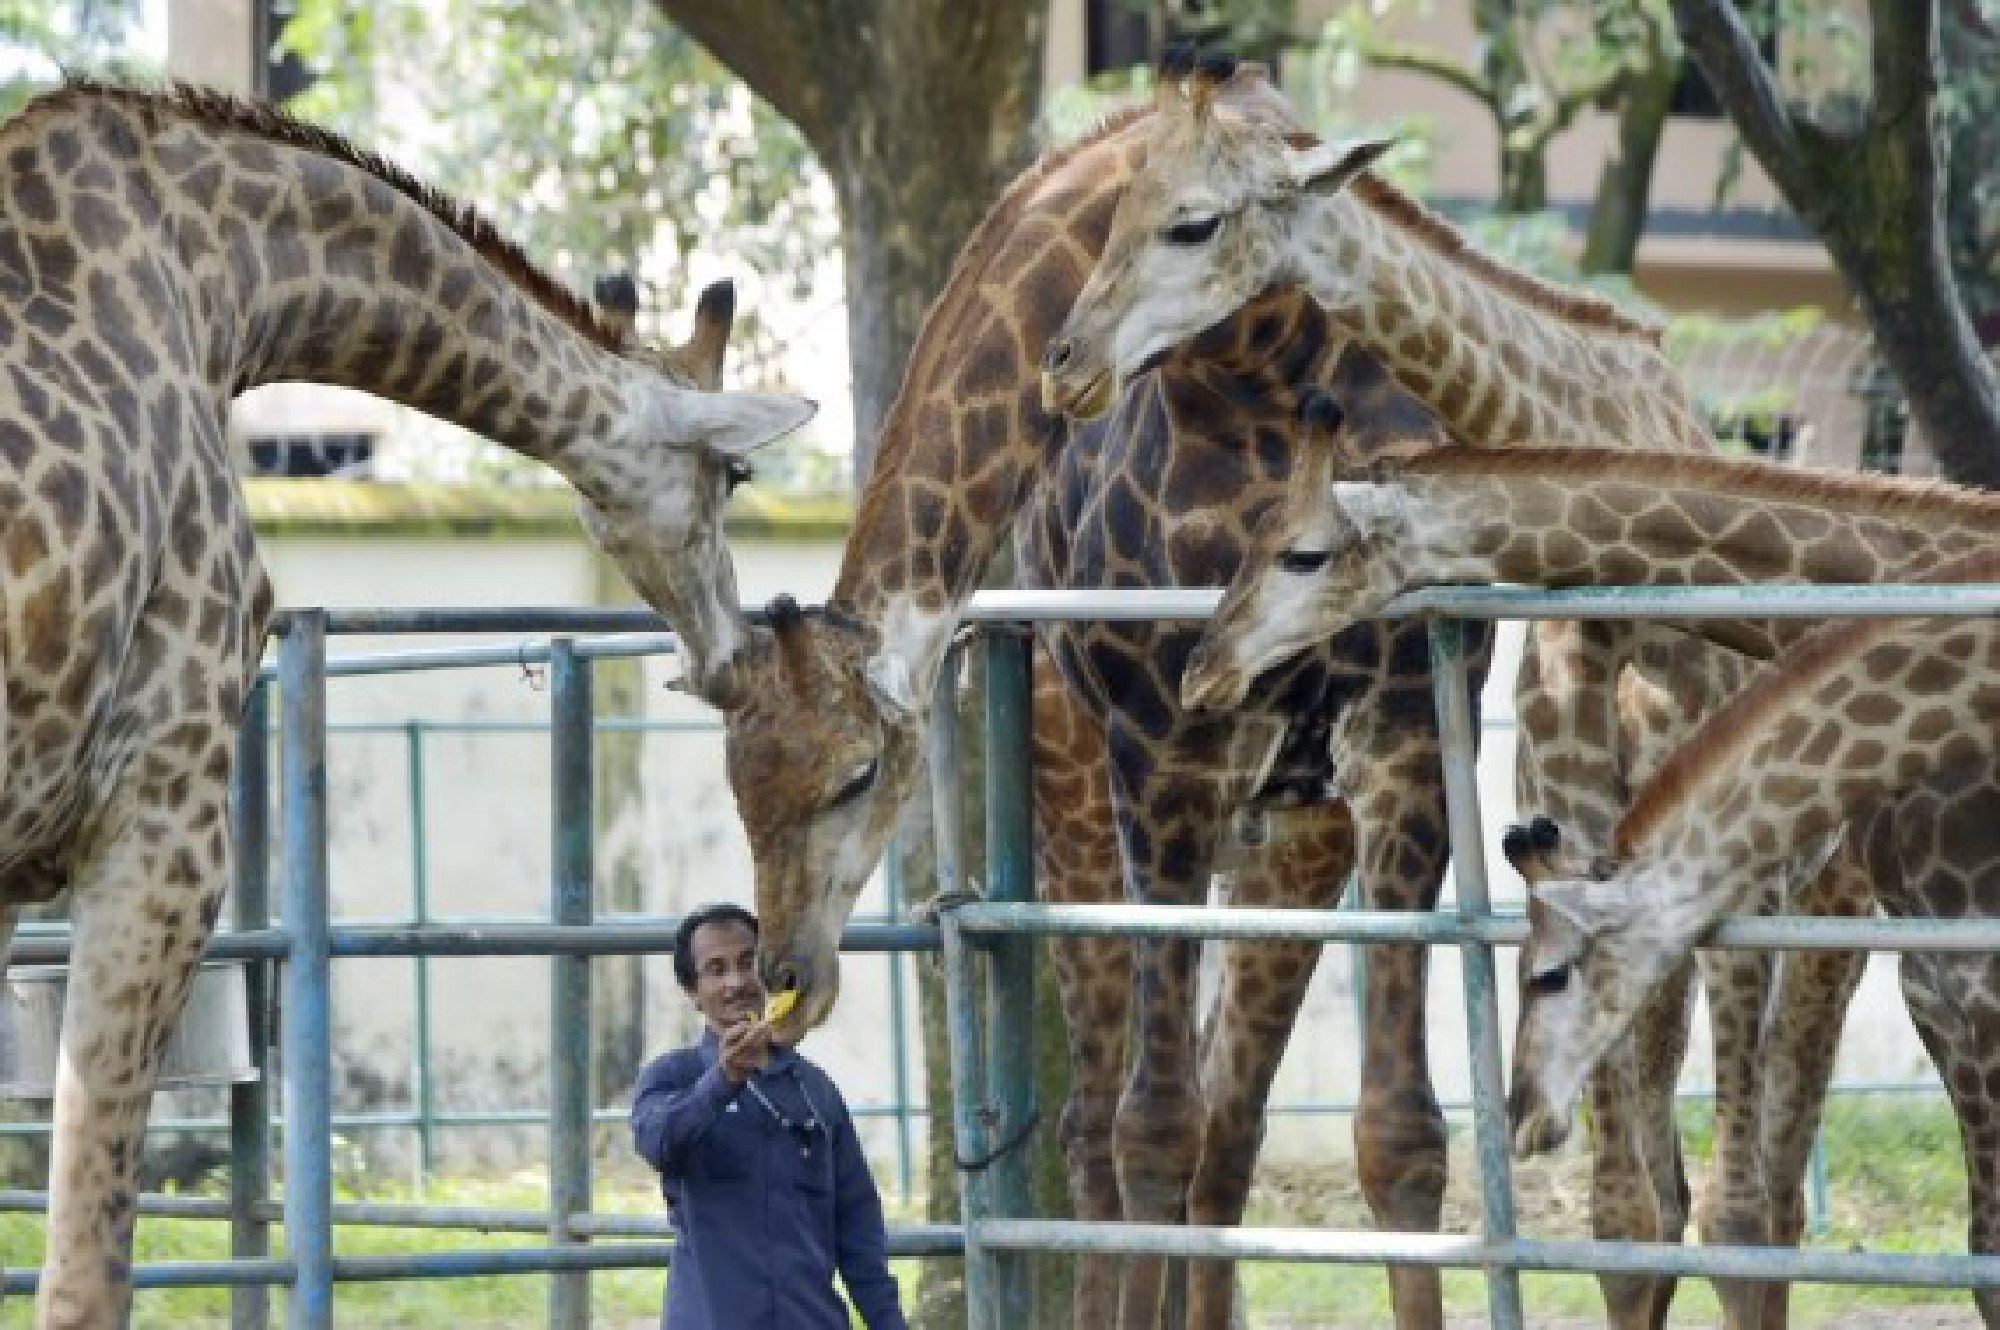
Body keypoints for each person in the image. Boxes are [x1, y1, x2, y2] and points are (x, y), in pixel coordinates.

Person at [631, 901, 907, 1330]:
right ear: (692, 992)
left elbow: (859, 1230)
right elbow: (658, 1143)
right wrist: (722, 1081)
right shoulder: (672, 1077)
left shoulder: (816, 1091)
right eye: (715, 969)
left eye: (747, 963)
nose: (736, 982)